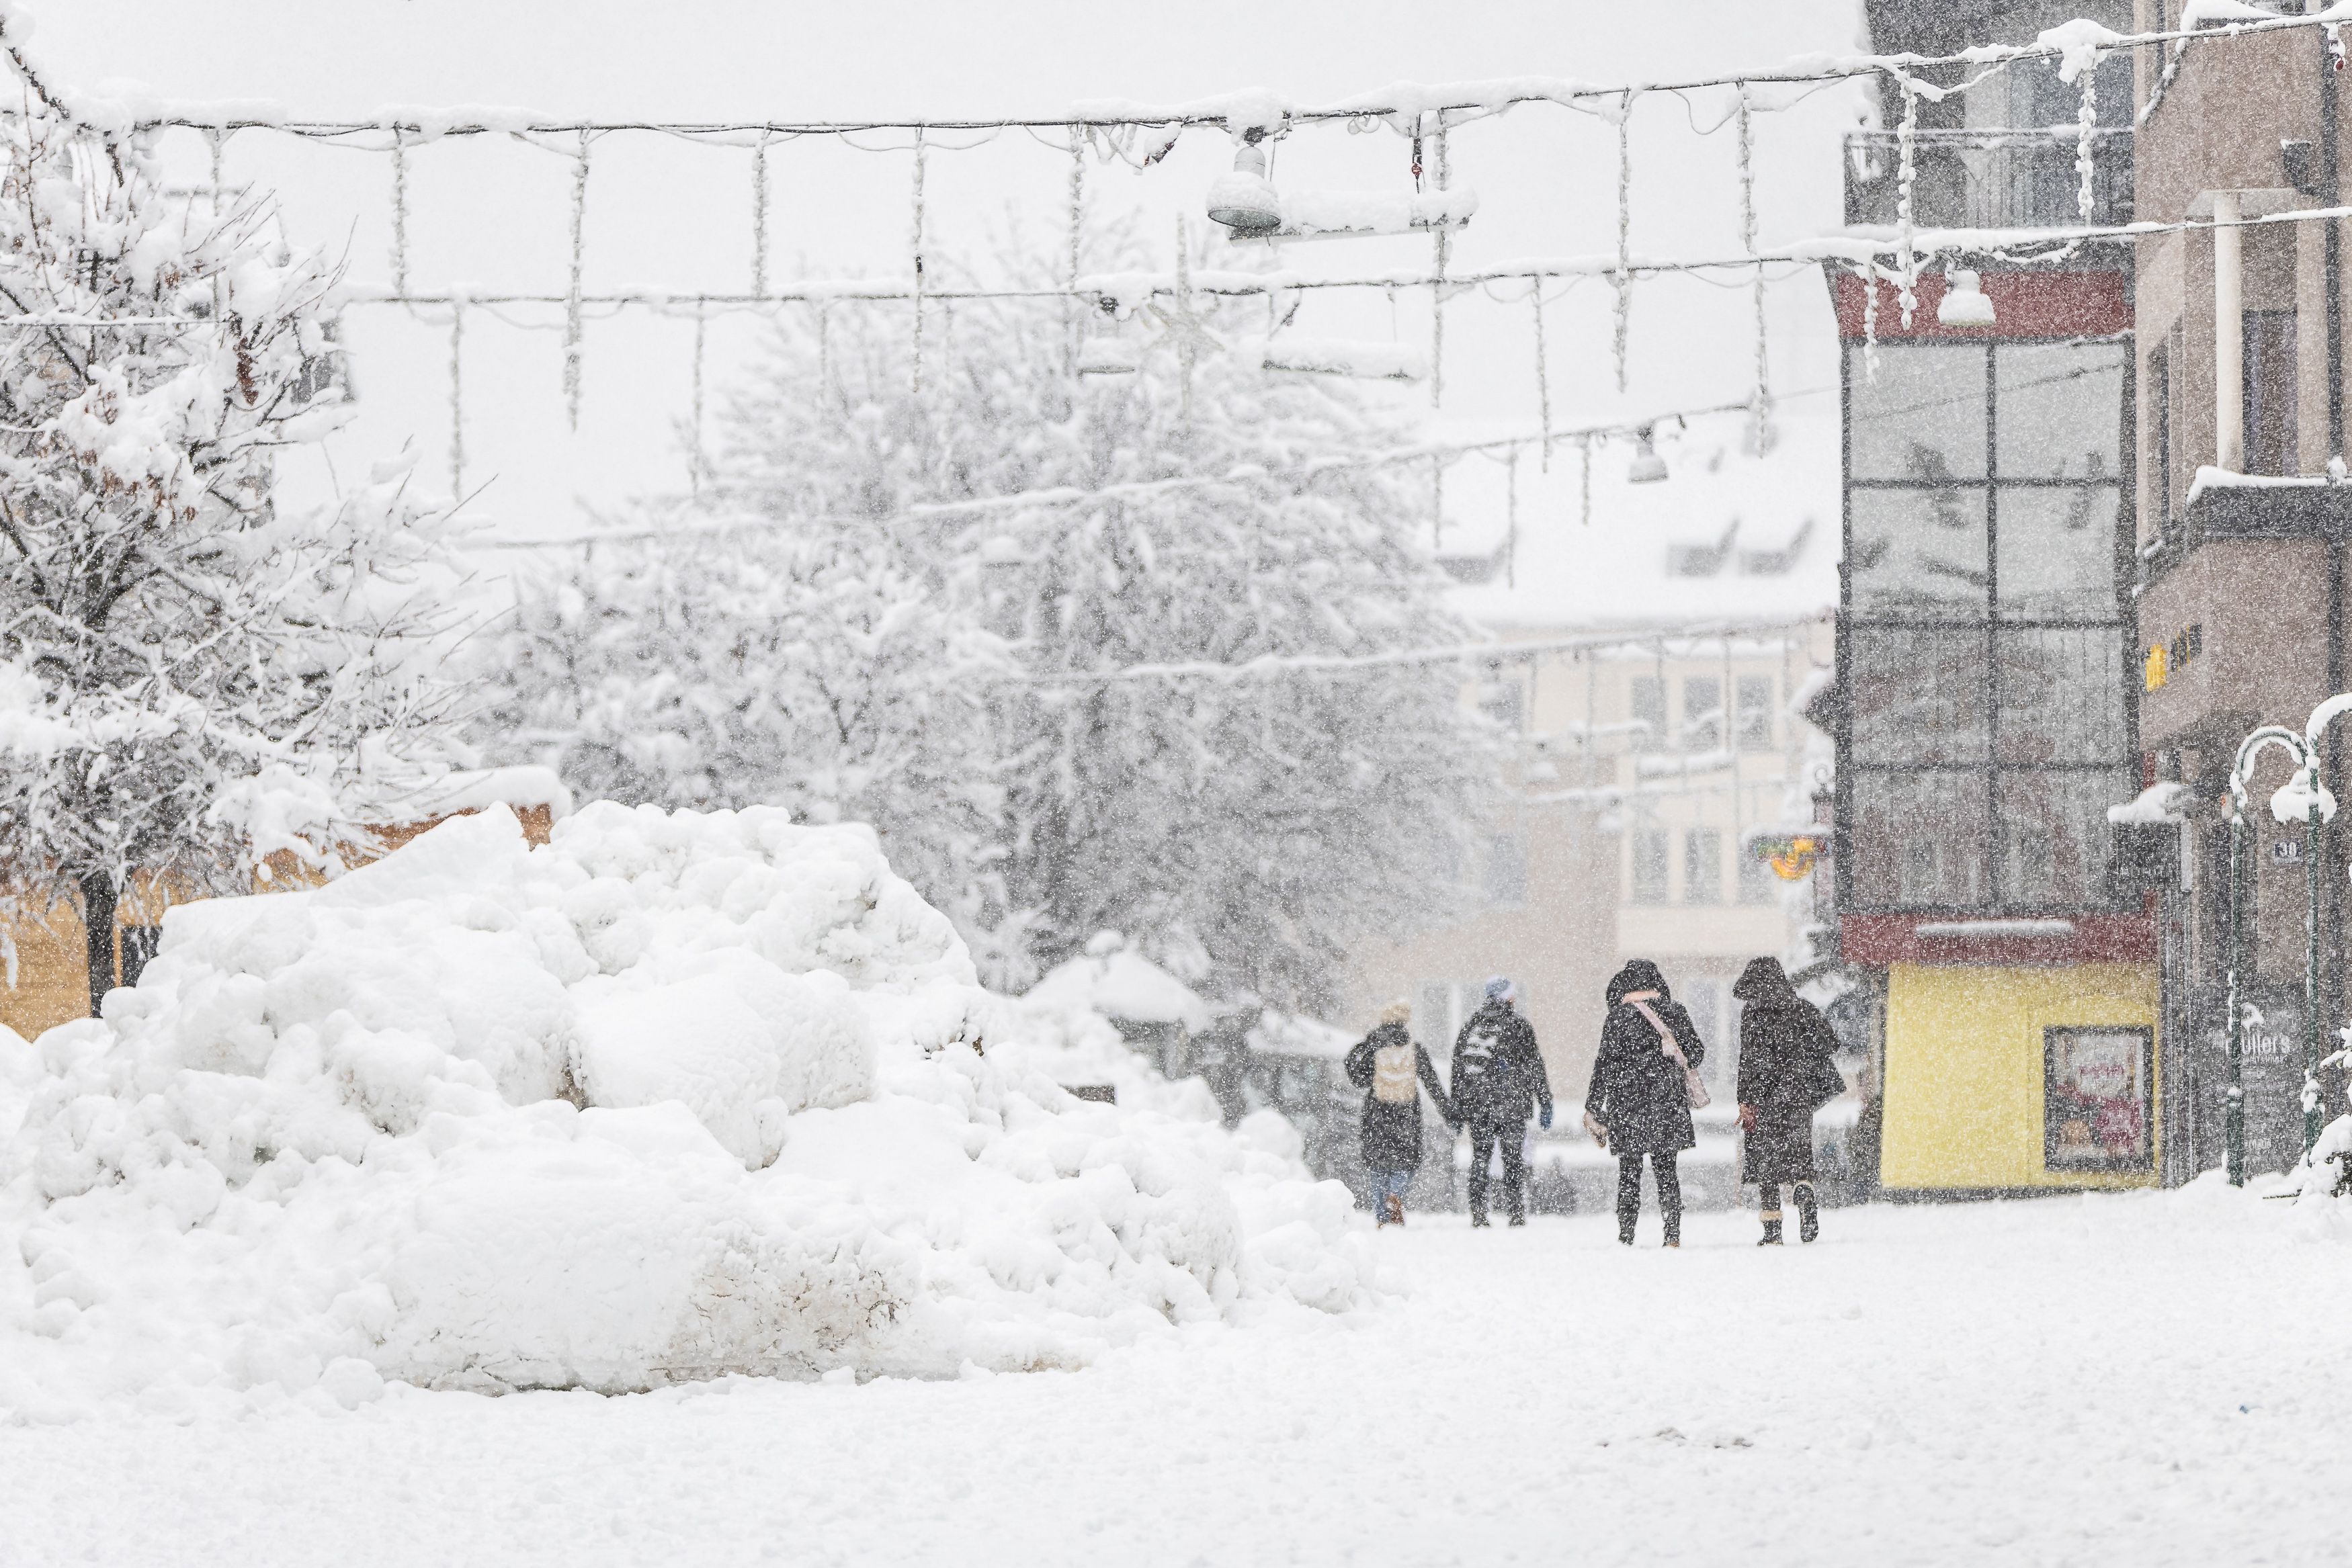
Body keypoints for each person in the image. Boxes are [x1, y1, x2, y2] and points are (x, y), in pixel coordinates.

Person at [1583, 959, 1704, 1248]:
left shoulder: (1617, 1018)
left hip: (1628, 1105)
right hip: (1667, 1102)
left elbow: (1605, 1066)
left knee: (1629, 1171)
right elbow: (1697, 1054)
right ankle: (1672, 1234)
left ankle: (1626, 1235)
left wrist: (1593, 1106)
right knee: (1667, 1169)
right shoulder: (1675, 1012)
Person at [1732, 957, 1846, 1246]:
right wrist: (1801, 1056)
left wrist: (1745, 1100)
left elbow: (1747, 1060)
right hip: (1798, 1095)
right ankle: (1805, 1194)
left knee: (1766, 1162)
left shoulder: (1752, 1012)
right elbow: (1830, 1043)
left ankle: (1772, 1233)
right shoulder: (1802, 1007)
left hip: (1763, 1096)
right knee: (1799, 1153)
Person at [1449, 976, 1552, 1228]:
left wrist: (1457, 1106)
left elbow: (1459, 1069)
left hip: (1479, 1107)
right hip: (1512, 1106)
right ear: (1508, 997)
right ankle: (1516, 1213)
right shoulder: (1519, 1026)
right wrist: (1545, 1101)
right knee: (1513, 1159)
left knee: (1480, 1159)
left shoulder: (1471, 1026)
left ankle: (1479, 1215)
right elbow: (1534, 1066)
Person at [1343, 1000, 1454, 1227]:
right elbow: (1433, 1085)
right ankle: (1396, 1196)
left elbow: (1359, 1080)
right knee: (1405, 1163)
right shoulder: (1415, 1049)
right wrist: (1450, 1114)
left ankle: (1382, 1215)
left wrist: (1366, 1046)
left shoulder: (1372, 1048)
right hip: (1406, 1113)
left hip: (1376, 1112)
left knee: (1378, 1165)